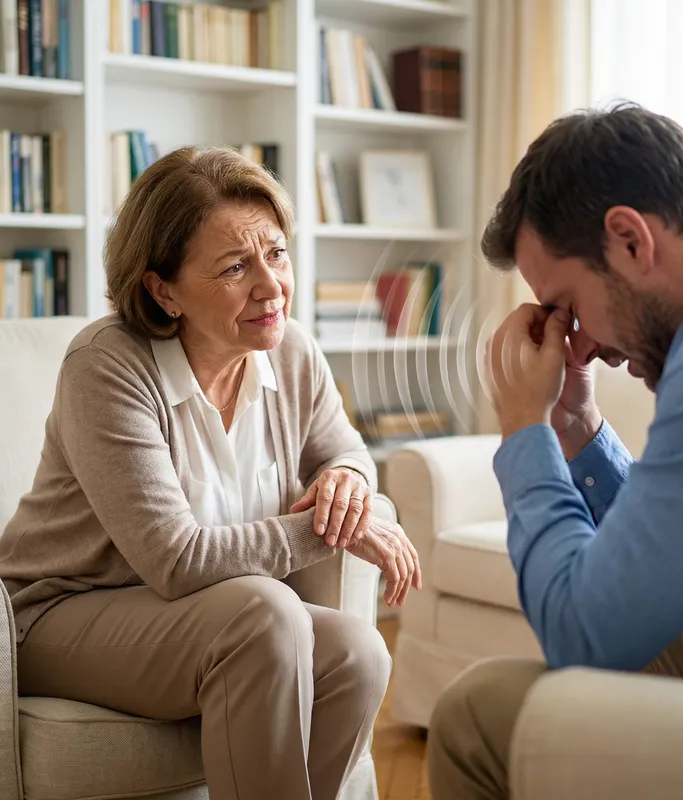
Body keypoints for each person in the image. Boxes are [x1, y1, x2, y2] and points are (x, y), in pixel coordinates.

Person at [0, 145, 421, 800]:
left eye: (276, 253)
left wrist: (347, 481)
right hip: (56, 616)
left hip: (205, 617)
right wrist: (329, 531)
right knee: (266, 613)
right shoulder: (106, 368)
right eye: (234, 267)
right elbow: (176, 560)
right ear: (162, 289)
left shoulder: (292, 350)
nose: (271, 285)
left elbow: (345, 450)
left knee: (355, 654)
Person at [427, 102, 683, 799]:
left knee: (478, 720)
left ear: (630, 240)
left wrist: (523, 427)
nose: (583, 345)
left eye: (568, 304)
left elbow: (583, 633)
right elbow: (663, 559)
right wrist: (575, 425)